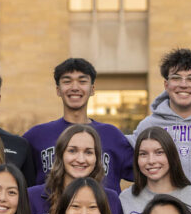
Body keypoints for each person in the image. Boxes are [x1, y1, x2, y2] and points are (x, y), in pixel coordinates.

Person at [23, 58, 134, 191]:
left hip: (103, 210)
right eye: (67, 81)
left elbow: (150, 176)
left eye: (82, 81)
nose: (75, 87)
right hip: (50, 210)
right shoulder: (37, 136)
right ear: (58, 90)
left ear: (92, 89)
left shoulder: (112, 135)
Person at [132, 48, 191, 188]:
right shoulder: (148, 126)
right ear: (166, 85)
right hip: (159, 207)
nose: (183, 84)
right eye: (176, 78)